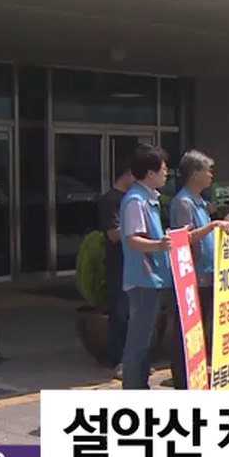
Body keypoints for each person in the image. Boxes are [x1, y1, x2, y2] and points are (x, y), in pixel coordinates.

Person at [167, 150, 229, 387]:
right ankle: (183, 380)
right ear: (195, 173)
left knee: (203, 328)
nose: (211, 176)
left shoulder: (199, 202)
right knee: (187, 332)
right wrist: (213, 225)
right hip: (193, 276)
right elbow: (184, 238)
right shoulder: (183, 202)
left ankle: (197, 374)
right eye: (208, 171)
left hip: (208, 274)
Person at [118, 144, 173, 390]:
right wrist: (160, 245)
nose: (166, 173)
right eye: (163, 169)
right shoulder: (135, 201)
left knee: (145, 340)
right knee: (138, 341)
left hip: (152, 278)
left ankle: (140, 386)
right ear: (150, 173)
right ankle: (134, 389)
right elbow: (133, 239)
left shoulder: (149, 200)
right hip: (143, 279)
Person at [97, 156, 134, 380]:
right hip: (117, 264)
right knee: (119, 313)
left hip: (133, 263)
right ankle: (117, 359)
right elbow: (112, 234)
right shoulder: (111, 200)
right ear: (127, 174)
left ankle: (130, 359)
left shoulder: (133, 199)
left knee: (130, 313)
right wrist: (137, 230)